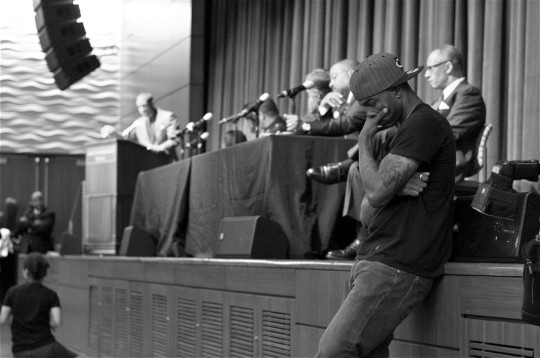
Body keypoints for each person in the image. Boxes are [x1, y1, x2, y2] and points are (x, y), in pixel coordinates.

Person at [315, 53, 455, 357]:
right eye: (364, 108)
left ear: (396, 89)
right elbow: (367, 210)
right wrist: (392, 187)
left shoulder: (424, 123)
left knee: (333, 351)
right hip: (375, 258)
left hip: (396, 264)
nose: (370, 114)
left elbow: (376, 193)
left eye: (372, 103)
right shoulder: (400, 133)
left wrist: (365, 143)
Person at [425, 44, 486, 182]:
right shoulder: (441, 99)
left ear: (448, 67)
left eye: (430, 68)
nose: (426, 75)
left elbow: (448, 131)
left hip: (444, 166)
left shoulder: (469, 94)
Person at [1, 253, 76, 358]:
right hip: (46, 347)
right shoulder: (51, 294)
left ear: (26, 272)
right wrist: (47, 322)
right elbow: (57, 322)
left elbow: (2, 319)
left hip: (20, 351)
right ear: (45, 274)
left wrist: (19, 322)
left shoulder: (12, 291)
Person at [284, 59, 366, 138]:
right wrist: (324, 108)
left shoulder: (366, 94)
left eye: (334, 77)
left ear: (351, 73)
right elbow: (332, 132)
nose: (331, 84)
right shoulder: (349, 99)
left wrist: (305, 126)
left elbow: (347, 123)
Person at [101, 92, 181, 156]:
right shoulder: (139, 123)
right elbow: (125, 138)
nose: (142, 109)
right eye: (139, 107)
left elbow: (175, 140)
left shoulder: (167, 117)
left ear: (152, 104)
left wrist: (158, 148)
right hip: (146, 165)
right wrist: (114, 133)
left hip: (165, 161)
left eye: (144, 106)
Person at [0, 197, 19, 303]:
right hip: (4, 254)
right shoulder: (2, 219)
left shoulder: (16, 220)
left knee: (9, 281)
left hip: (11, 255)